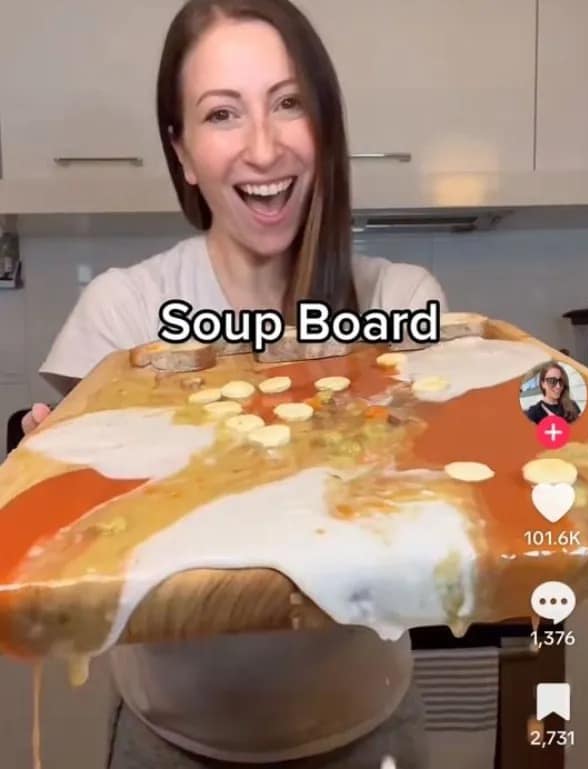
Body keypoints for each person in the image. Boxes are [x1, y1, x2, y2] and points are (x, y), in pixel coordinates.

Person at [21, 1, 449, 767]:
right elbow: (74, 518)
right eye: (222, 114)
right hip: (167, 743)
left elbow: (439, 511)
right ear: (182, 153)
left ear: (325, 127)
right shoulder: (125, 313)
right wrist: (48, 472)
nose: (262, 146)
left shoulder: (400, 303)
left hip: (369, 734)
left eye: (289, 104)